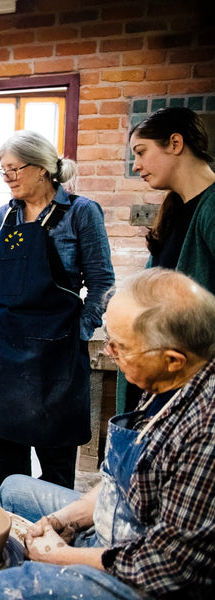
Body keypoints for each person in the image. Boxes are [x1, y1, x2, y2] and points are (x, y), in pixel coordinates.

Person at [0, 268, 215, 600]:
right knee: (12, 490)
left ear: (173, 359)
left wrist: (63, 558)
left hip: (151, 576)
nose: (108, 352)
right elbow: (117, 483)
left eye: (119, 347)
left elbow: (167, 565)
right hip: (120, 526)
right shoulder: (166, 381)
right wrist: (67, 519)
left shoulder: (205, 431)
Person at [0, 130, 115, 491]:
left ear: (42, 168)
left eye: (14, 169)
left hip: (56, 351)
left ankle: (54, 536)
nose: (8, 178)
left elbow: (101, 281)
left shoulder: (80, 212)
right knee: (5, 445)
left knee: (55, 450)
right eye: (3, 171)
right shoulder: (5, 215)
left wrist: (79, 331)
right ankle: (11, 524)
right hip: (1, 349)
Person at [118, 107, 215, 412]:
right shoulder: (175, 208)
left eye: (142, 152)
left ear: (175, 143)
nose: (137, 166)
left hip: (194, 383)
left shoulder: (211, 207)